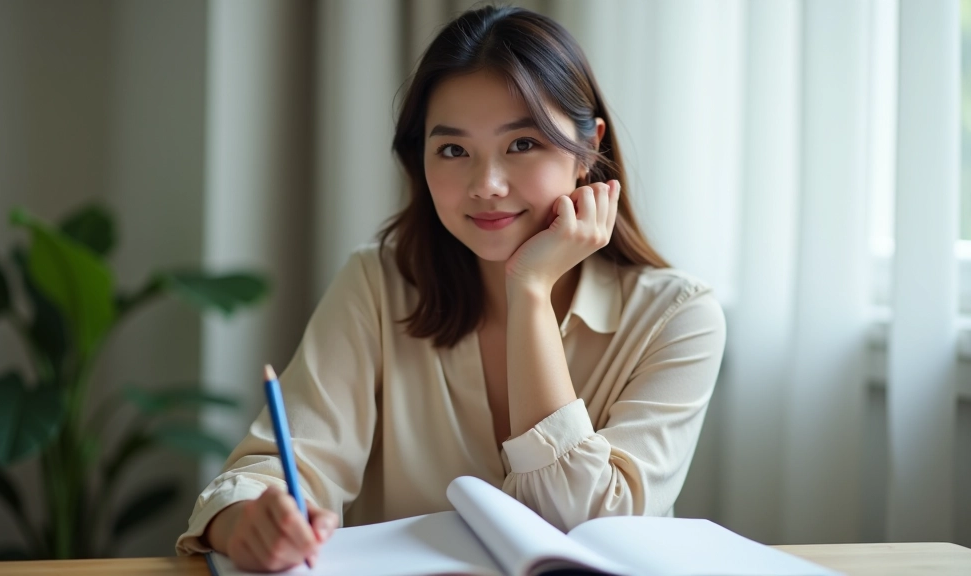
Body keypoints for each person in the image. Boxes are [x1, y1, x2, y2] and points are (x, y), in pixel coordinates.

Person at [176, 5, 726, 572]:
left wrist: (530, 291)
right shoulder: (378, 284)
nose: (486, 185)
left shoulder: (677, 317)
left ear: (589, 150)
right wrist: (252, 521)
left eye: (523, 144)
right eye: (454, 150)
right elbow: (271, 474)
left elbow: (589, 528)